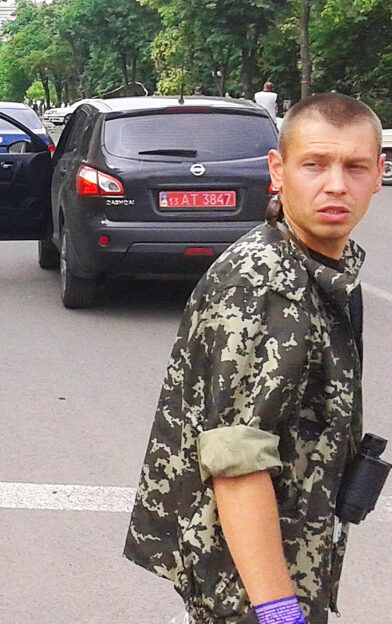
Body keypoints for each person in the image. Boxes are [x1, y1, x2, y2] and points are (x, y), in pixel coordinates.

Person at [124, 93, 386, 624]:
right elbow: (236, 462)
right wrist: (277, 609)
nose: (336, 184)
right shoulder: (265, 285)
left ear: (380, 173)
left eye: (355, 166)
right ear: (278, 170)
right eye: (314, 164)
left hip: (281, 557)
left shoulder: (317, 265)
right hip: (248, 582)